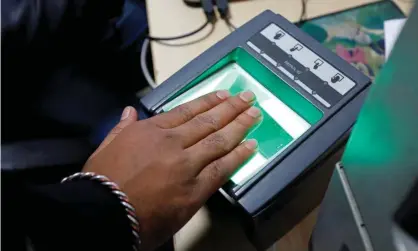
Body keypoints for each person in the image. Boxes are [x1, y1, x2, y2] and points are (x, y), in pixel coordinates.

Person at [1, 0, 261, 250]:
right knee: (147, 128)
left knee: (146, 27)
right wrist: (110, 208)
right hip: (26, 78)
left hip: (69, 36)